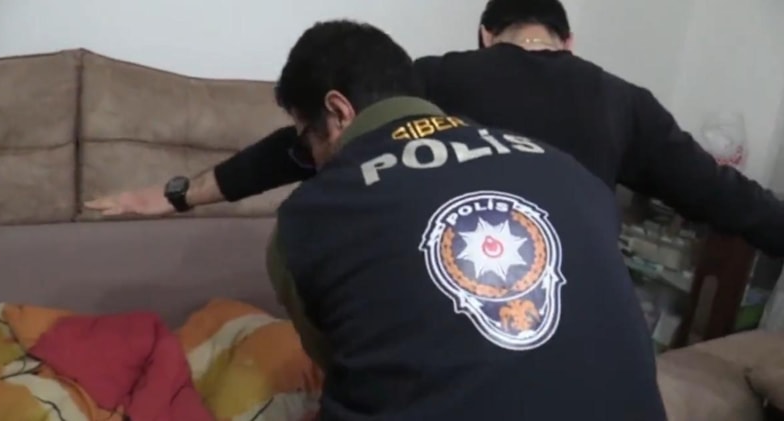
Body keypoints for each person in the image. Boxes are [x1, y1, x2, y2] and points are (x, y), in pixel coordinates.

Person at [87, 0, 784, 258]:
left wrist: (178, 195)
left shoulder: (433, 76)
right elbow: (725, 197)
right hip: (586, 329)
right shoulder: (625, 101)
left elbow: (302, 149)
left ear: (485, 34)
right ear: (569, 43)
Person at [265, 19, 665, 420]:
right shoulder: (571, 171)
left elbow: (339, 365)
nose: (311, 160)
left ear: (338, 112)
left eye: (305, 142)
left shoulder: (307, 219)